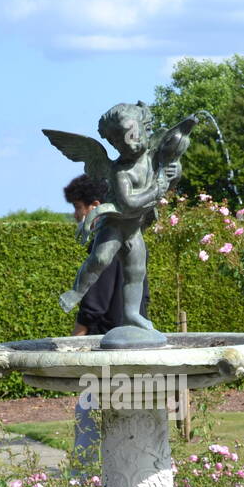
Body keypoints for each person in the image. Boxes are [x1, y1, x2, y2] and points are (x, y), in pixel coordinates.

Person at [63, 173, 149, 469]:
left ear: (94, 206)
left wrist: (74, 342)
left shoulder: (107, 243)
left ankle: (83, 484)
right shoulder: (129, 239)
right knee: (126, 422)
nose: (76, 215)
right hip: (131, 346)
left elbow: (93, 304)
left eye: (78, 207)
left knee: (88, 421)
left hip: (105, 348)